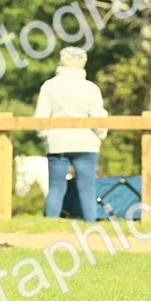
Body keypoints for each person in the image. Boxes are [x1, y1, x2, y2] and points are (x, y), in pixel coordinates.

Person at [34, 46, 107, 221]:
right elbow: (98, 118)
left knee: (56, 187)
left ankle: (50, 224)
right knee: (87, 187)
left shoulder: (49, 86)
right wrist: (100, 135)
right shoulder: (91, 88)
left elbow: (40, 119)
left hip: (58, 143)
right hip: (86, 143)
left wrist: (44, 135)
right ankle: (90, 223)